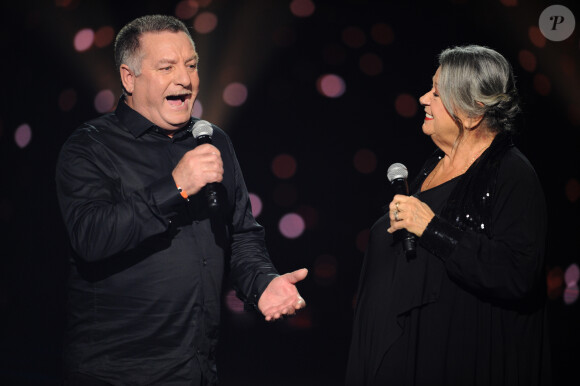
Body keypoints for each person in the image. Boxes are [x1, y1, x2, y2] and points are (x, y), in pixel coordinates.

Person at [55, 14, 307, 386]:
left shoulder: (212, 140)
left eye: (191, 65)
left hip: (198, 369)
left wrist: (262, 282)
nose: (185, 80)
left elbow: (240, 234)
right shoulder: (90, 146)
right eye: (167, 67)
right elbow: (91, 238)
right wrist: (175, 187)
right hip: (115, 373)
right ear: (129, 78)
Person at [345, 45, 551, 385]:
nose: (424, 98)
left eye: (438, 94)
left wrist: (432, 228)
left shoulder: (513, 173)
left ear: (472, 113)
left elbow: (517, 272)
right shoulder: (432, 166)